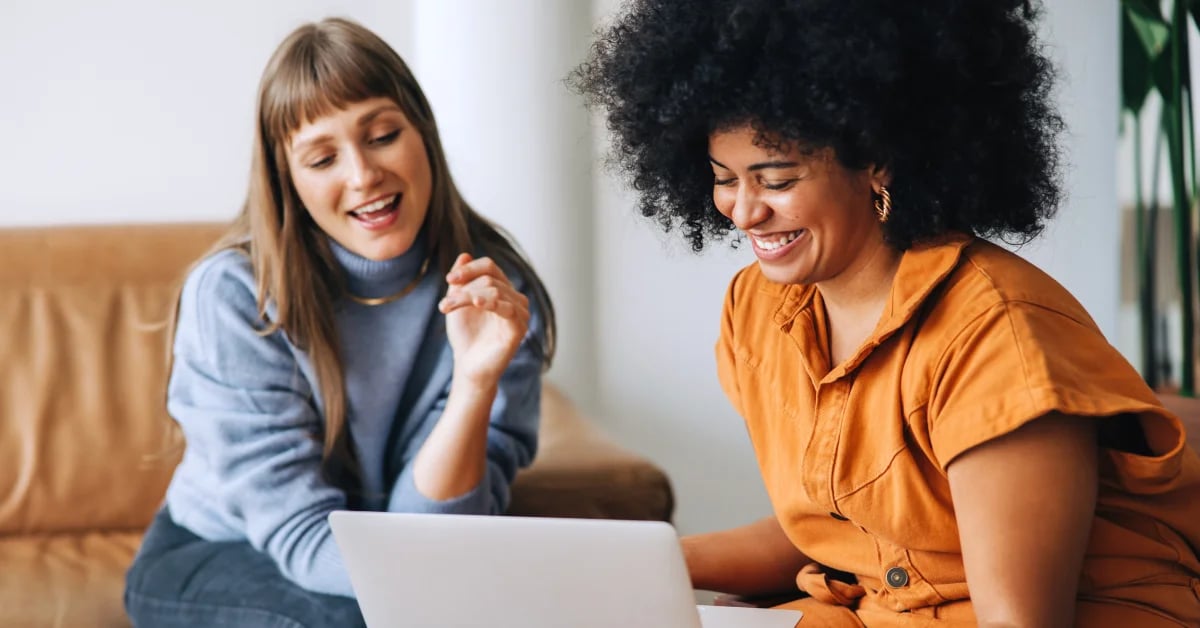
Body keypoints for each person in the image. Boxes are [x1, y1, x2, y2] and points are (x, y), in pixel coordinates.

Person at [572, 0, 1200, 625]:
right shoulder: (757, 309)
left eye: (777, 180)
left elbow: (1018, 620)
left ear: (877, 162)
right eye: (725, 178)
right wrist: (640, 564)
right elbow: (842, 530)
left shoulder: (995, 335)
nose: (744, 211)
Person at [123, 17, 555, 627]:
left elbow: (440, 536)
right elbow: (305, 538)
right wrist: (430, 593)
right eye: (322, 158)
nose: (362, 174)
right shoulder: (237, 295)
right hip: (215, 552)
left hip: (393, 561)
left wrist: (475, 383)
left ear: (423, 133)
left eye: (382, 136)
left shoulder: (496, 295)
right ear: (289, 182)